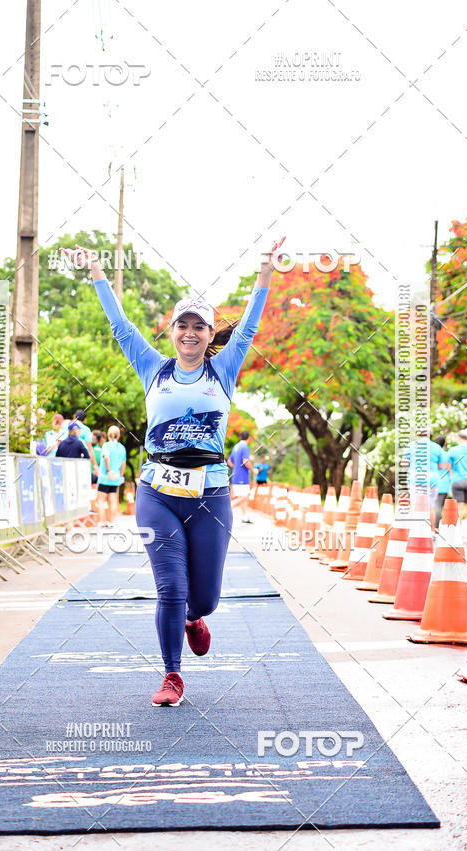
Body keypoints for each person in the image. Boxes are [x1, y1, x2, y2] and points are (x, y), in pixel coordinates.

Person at [61, 236, 284, 707]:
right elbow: (121, 327)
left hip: (211, 495)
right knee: (171, 587)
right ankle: (172, 674)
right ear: (172, 332)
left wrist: (264, 270)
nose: (189, 333)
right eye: (182, 325)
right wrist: (99, 272)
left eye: (199, 326)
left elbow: (248, 327)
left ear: (208, 335)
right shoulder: (152, 367)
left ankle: (193, 618)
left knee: (202, 599)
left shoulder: (223, 369)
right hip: (157, 492)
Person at [98, 425, 127, 527]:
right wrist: (121, 475)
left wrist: (109, 470)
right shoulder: (122, 448)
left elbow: (106, 457)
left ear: (108, 434)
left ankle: (102, 522)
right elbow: (123, 464)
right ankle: (110, 522)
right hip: (116, 478)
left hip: (105, 477)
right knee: (113, 500)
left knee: (101, 500)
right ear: (118, 436)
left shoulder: (106, 445)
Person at [448, 429, 467, 524]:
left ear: (459, 438)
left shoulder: (452, 450)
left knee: (459, 507)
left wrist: (452, 477)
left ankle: (458, 531)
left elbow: (449, 467)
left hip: (458, 480)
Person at [228, 430, 255, 524]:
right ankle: (226, 510)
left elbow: (229, 461)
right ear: (249, 438)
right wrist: (253, 470)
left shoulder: (236, 446)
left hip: (236, 476)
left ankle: (245, 517)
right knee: (244, 497)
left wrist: (236, 468)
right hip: (242, 477)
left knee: (243, 496)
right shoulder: (244, 446)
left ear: (240, 437)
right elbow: (245, 461)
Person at [73, 408, 99, 481]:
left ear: (74, 416)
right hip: (80, 460)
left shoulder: (67, 426)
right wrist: (94, 465)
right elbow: (89, 449)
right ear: (85, 420)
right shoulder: (86, 430)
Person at [433, 436, 451, 531]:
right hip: (445, 483)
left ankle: (436, 527)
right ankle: (440, 526)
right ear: (444, 444)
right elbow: (450, 468)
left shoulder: (434, 453)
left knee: (436, 505)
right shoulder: (447, 455)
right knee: (441, 506)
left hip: (435, 483)